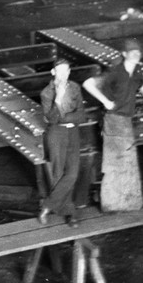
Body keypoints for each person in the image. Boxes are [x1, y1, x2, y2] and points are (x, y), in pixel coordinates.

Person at [83, 39, 143, 212]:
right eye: (133, 52)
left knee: (127, 161)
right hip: (114, 119)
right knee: (115, 162)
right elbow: (88, 84)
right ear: (124, 54)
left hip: (125, 120)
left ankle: (127, 202)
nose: (137, 55)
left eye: (138, 52)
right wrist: (106, 101)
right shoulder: (115, 72)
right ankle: (112, 204)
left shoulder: (137, 70)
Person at [38, 59, 85, 228]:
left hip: (72, 132)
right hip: (56, 134)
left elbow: (81, 115)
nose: (63, 75)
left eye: (66, 71)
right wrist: (58, 100)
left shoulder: (75, 88)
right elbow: (51, 119)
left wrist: (63, 118)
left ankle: (47, 206)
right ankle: (70, 214)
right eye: (60, 71)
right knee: (59, 174)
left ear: (69, 72)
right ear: (53, 72)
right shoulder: (46, 93)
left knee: (72, 173)